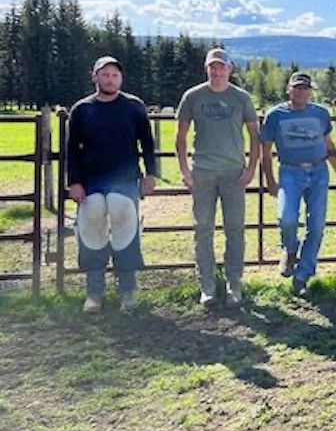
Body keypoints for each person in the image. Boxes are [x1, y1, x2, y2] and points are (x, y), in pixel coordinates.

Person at [66, 56, 157, 314]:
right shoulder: (82, 109)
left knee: (125, 224)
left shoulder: (133, 106)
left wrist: (151, 174)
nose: (110, 79)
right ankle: (94, 292)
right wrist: (74, 182)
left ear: (121, 78)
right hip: (92, 178)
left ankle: (127, 291)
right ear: (94, 77)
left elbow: (147, 143)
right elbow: (72, 149)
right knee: (92, 223)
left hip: (125, 177)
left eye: (115, 75)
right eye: (104, 74)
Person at [176, 48, 260, 309]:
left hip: (234, 173)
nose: (217, 71)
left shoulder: (241, 98)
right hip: (203, 172)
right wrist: (184, 170)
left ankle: (235, 284)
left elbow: (255, 137)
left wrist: (251, 169)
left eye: (221, 66)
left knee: (235, 230)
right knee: (203, 230)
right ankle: (208, 287)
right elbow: (180, 136)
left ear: (229, 69)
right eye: (212, 66)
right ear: (206, 68)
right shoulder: (193, 96)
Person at [261, 72, 336, 297]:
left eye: (305, 88)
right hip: (290, 171)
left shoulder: (320, 113)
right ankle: (290, 249)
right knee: (287, 217)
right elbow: (265, 151)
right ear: (288, 90)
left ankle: (303, 275)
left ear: (311, 91)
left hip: (319, 171)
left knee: (317, 225)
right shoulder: (275, 116)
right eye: (297, 88)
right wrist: (270, 180)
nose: (301, 92)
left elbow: (328, 144)